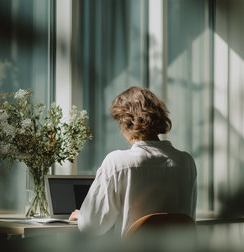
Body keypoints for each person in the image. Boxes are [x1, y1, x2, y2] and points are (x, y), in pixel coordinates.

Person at [69, 86, 197, 238]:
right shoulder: (186, 162)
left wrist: (83, 217)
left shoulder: (117, 162)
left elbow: (92, 227)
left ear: (126, 123)